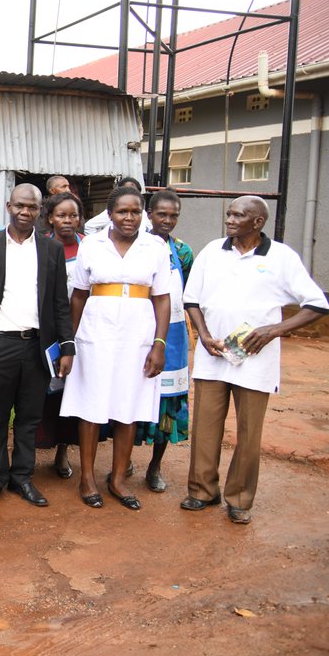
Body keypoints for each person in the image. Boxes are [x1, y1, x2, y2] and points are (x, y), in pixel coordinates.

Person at [181, 195, 328, 524]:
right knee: (204, 428)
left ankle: (240, 499)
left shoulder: (281, 258)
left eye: (238, 215)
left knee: (249, 434)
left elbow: (317, 305)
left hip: (255, 360)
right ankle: (202, 491)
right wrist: (202, 335)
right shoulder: (212, 252)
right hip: (214, 354)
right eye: (230, 213)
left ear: (258, 222)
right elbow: (191, 300)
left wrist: (274, 330)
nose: (230, 220)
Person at [59, 186, 172, 510]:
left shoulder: (155, 247)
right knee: (92, 405)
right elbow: (78, 295)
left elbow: (162, 299)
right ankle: (88, 478)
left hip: (137, 334)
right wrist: (70, 343)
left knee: (128, 406)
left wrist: (159, 344)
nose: (129, 217)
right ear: (109, 214)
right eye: (122, 211)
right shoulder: (91, 244)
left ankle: (119, 478)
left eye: (136, 211)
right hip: (96, 331)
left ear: (144, 215)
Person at [0, 184, 74, 509]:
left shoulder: (50, 250)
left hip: (36, 346)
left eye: (32, 207)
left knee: (28, 418)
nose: (25, 212)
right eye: (20, 206)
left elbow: (59, 304)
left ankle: (22, 477)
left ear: (40, 211)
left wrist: (66, 347)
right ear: (8, 205)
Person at [139, 190, 194, 492]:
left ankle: (155, 466)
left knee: (168, 406)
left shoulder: (183, 252)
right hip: (137, 333)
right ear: (149, 214)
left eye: (174, 215)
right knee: (131, 399)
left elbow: (190, 293)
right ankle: (123, 463)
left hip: (171, 338)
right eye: (162, 214)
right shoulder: (136, 245)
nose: (168, 220)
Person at [34, 192, 87, 479]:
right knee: (43, 394)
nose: (68, 221)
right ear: (50, 218)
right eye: (61, 215)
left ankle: (63, 452)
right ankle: (30, 449)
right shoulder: (41, 247)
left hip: (80, 332)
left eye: (73, 215)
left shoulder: (89, 248)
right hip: (47, 333)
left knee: (71, 393)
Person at [83, 176, 150, 236]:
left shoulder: (143, 214)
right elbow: (89, 227)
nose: (129, 218)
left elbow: (149, 230)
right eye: (123, 212)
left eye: (135, 212)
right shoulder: (113, 212)